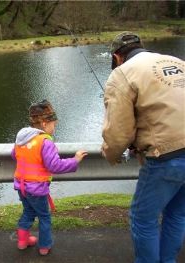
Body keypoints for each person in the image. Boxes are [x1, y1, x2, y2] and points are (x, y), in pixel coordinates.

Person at [101, 31, 185, 263]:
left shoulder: (123, 74)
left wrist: (112, 154)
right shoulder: (177, 62)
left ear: (117, 57)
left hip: (167, 157)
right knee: (177, 215)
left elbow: (119, 132)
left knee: (143, 219)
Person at [12, 100, 88, 256]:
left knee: (28, 212)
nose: (54, 128)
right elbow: (55, 166)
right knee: (44, 217)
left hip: (21, 187)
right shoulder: (45, 141)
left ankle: (22, 241)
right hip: (37, 189)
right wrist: (75, 160)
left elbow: (15, 155)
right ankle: (44, 246)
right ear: (45, 124)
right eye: (54, 124)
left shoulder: (21, 139)